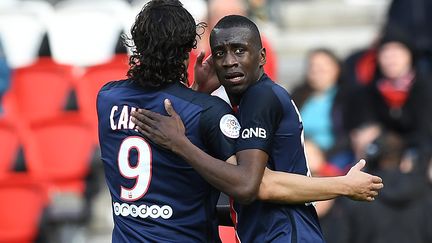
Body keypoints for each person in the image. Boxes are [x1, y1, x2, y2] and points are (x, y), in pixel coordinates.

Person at [131, 15, 383, 242]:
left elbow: (251, 185)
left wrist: (179, 144)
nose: (229, 61)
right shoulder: (248, 100)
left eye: (239, 50)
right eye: (220, 53)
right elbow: (246, 194)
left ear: (261, 57)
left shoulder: (259, 98)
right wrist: (199, 91)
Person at [97, 1, 239, 241]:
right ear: (187, 50)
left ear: (138, 46)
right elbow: (244, 183)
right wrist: (198, 95)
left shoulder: (107, 99)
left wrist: (196, 92)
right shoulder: (209, 111)